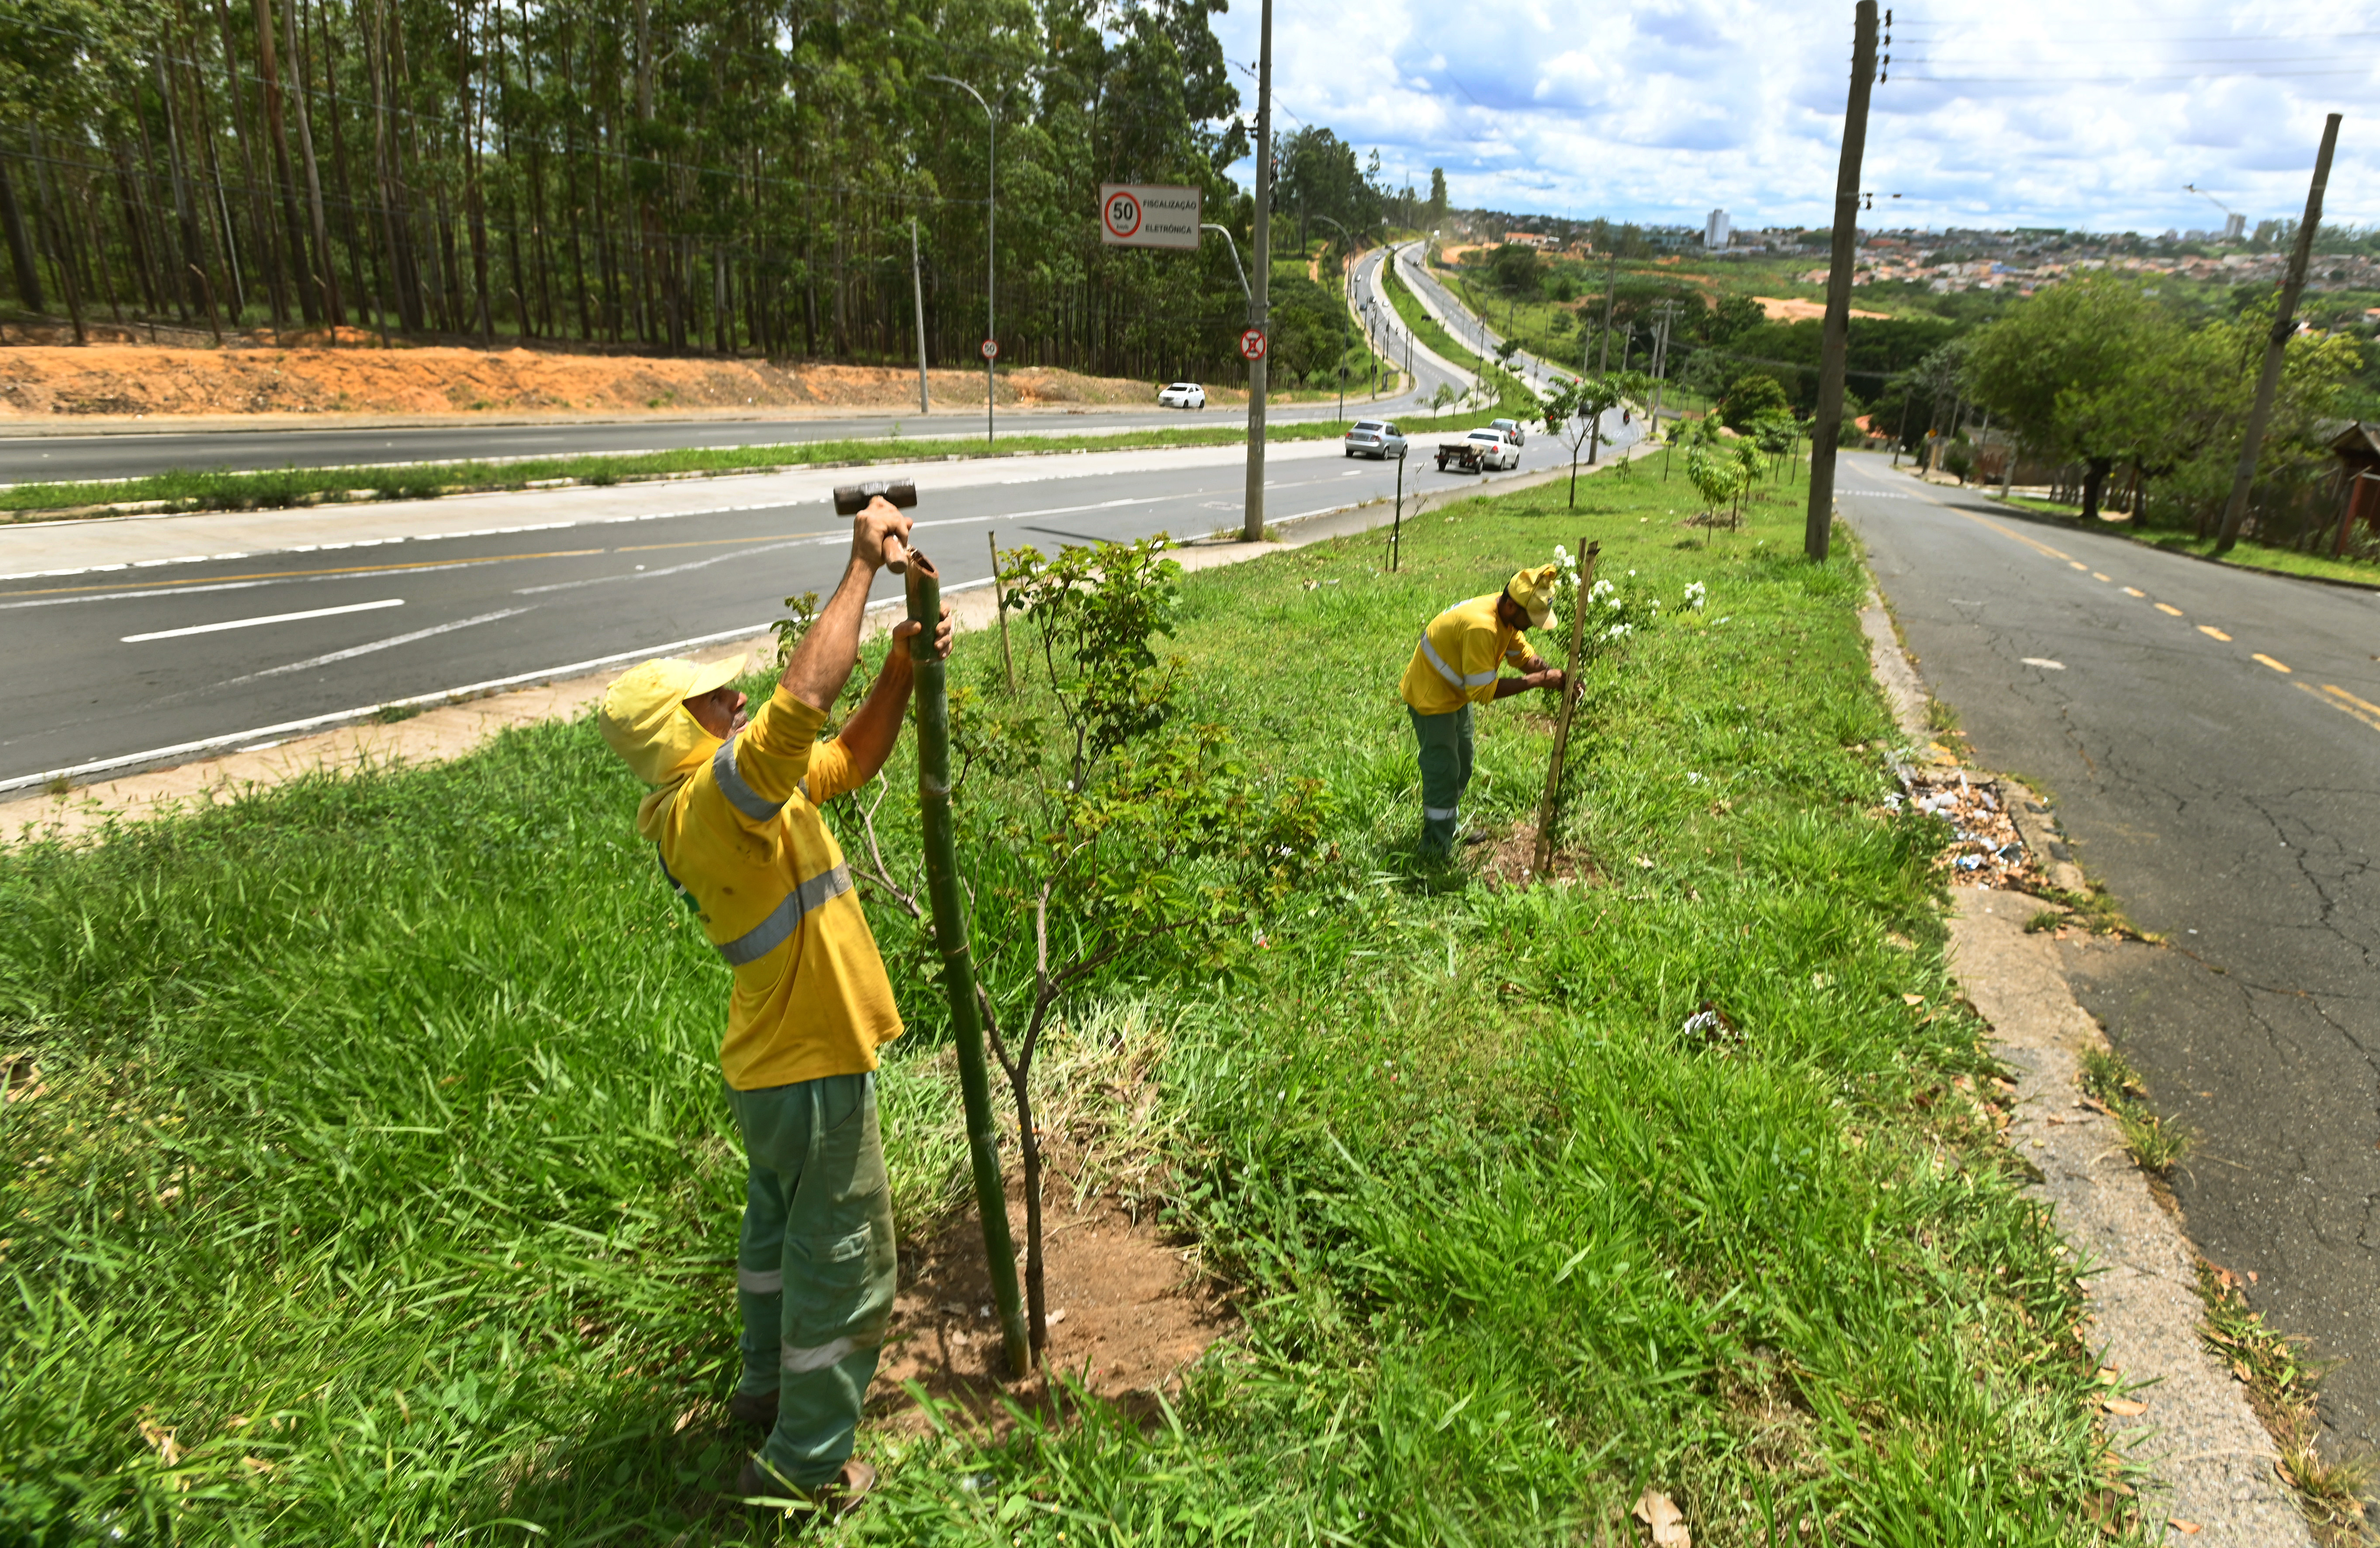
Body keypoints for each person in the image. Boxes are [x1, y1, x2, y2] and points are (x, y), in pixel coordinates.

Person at [596, 497, 951, 1521]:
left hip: (773, 1069)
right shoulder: (710, 807)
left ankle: (761, 1392)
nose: (737, 695)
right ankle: (804, 1467)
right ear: (681, 731)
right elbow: (802, 697)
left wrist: (895, 667)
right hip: (807, 1063)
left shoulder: (740, 796)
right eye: (715, 698)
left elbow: (840, 759)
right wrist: (859, 569)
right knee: (844, 1270)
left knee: (778, 1245)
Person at [1398, 565, 1566, 858]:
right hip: (1432, 698)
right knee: (1444, 772)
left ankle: (1448, 826)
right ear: (1513, 606)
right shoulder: (1482, 626)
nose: (1533, 625)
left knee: (1463, 763)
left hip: (1455, 694)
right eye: (1531, 618)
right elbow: (1483, 691)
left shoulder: (1505, 615)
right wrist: (1539, 681)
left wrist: (1555, 675)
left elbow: (1522, 656)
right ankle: (1435, 851)